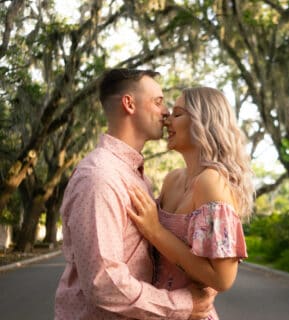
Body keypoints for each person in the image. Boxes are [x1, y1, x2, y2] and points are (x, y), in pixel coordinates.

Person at [54, 69, 216, 320]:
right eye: (158, 102)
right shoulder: (100, 177)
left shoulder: (137, 177)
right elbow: (103, 283)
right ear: (129, 104)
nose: (166, 113)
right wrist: (183, 305)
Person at [126, 86, 254, 320]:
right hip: (160, 311)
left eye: (177, 114)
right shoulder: (173, 179)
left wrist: (156, 231)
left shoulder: (211, 182)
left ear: (202, 122)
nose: (167, 121)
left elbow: (223, 279)